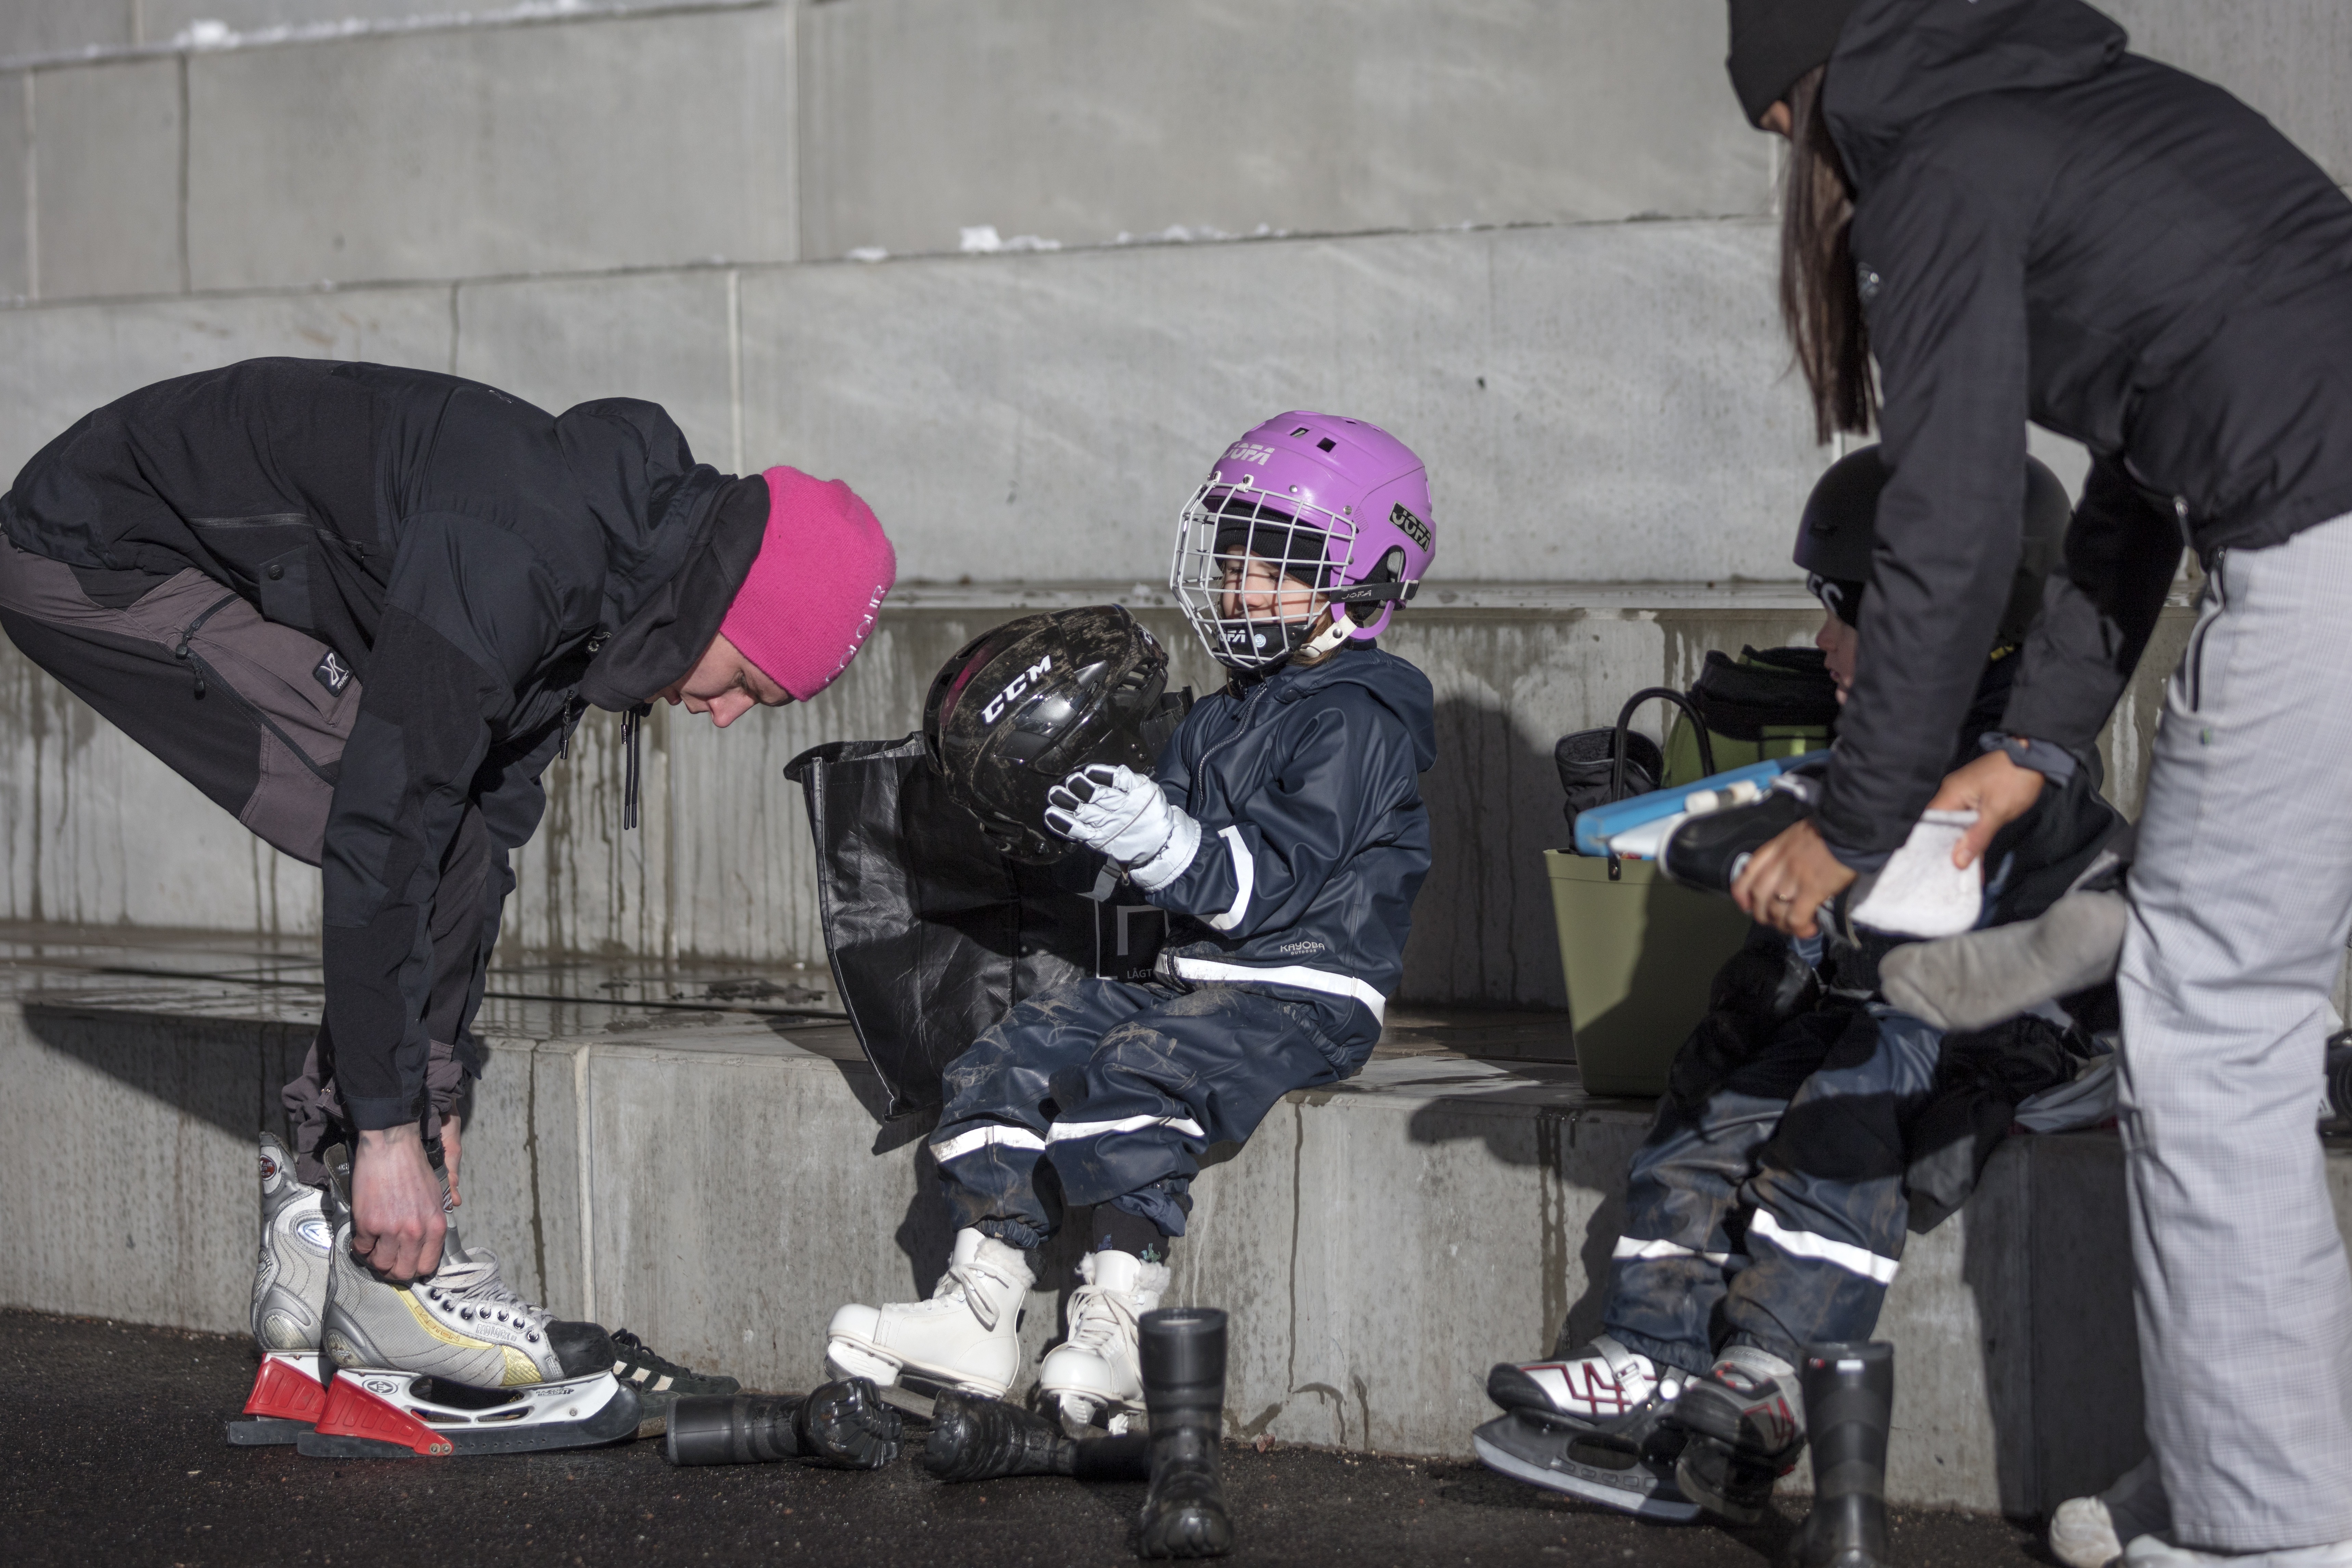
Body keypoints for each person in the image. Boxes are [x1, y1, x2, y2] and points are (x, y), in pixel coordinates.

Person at [1718, 2, 2352, 1563]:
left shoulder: (1935, 171)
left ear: (1810, 90)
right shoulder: (2081, 112)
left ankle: (2273, 1525)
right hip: (2310, 504)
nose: (1797, 168)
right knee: (2221, 957)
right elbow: (2138, 482)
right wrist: (2030, 751)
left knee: (2214, 1029)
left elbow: (1948, 526)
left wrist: (1852, 825)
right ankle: (2240, 1454)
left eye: (1783, 131)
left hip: (2326, 531)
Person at [1, 357, 896, 1429]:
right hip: (95, 549)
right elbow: (384, 834)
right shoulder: (518, 556)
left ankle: (321, 1249)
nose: (726, 714)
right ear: (722, 607)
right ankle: (381, 1274)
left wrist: (433, 1082)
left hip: (206, 546)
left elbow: (488, 827)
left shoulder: (609, 579)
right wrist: (391, 1134)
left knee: (443, 820)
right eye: (748, 682)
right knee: (373, 796)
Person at [1473, 446, 2117, 1522]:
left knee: (1850, 1100)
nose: (1822, 642)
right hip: (1880, 1002)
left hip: (2004, 1020)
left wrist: (1812, 854)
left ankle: (1771, 1368)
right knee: (1720, 1081)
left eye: (1843, 612)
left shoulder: (2031, 758)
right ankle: (1649, 1353)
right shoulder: (1880, 729)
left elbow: (1944, 887)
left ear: (1946, 623)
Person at [824, 411, 1436, 1434]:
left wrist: (1157, 836)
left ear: (1367, 581)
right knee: (1009, 1053)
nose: (1240, 588)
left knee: (1141, 1069)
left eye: (1274, 568)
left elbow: (1260, 891)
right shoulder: (1226, 710)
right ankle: (982, 1301)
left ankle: (1118, 1319)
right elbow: (1164, 870)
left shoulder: (1361, 715)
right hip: (1189, 976)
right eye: (1232, 561)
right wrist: (1077, 811)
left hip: (1301, 988)